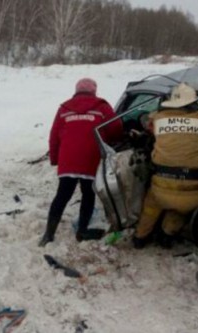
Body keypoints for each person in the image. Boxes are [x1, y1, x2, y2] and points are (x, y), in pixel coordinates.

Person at [39, 78, 122, 247]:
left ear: (76, 90)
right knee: (88, 194)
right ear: (94, 91)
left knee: (62, 196)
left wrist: (55, 159)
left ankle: (48, 234)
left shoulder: (64, 108)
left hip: (68, 160)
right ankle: (82, 231)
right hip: (91, 159)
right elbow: (116, 128)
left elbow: (54, 136)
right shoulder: (101, 107)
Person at [133, 82, 198, 248]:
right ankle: (167, 235)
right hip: (195, 188)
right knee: (180, 209)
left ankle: (140, 237)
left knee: (151, 207)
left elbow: (147, 123)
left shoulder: (159, 118)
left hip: (163, 183)